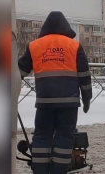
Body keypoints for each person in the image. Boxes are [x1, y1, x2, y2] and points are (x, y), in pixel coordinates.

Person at [18, 11, 92, 174]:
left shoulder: (34, 45)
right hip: (69, 102)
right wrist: (87, 98)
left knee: (42, 136)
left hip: (45, 102)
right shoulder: (74, 46)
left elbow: (19, 72)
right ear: (65, 27)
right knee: (65, 137)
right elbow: (84, 75)